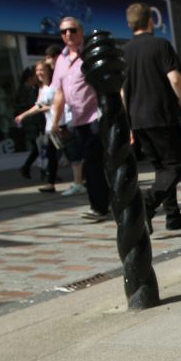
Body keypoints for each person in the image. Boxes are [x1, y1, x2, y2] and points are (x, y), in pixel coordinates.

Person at [122, 2, 181, 231]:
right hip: (161, 115)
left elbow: (123, 91)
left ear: (129, 24)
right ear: (150, 21)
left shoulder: (124, 52)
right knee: (177, 163)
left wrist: (129, 125)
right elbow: (175, 79)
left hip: (138, 119)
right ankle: (147, 203)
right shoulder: (160, 45)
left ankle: (173, 216)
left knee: (162, 168)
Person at [50, 16, 111, 222]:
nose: (68, 34)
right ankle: (102, 203)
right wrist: (55, 122)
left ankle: (100, 206)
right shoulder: (61, 60)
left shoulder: (90, 54)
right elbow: (59, 94)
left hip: (95, 117)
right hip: (77, 121)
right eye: (63, 31)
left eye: (72, 30)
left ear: (81, 32)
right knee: (90, 164)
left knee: (93, 164)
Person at [15, 61, 84, 195]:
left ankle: (80, 182)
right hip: (51, 127)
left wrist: (50, 108)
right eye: (37, 70)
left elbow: (58, 103)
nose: (38, 73)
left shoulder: (56, 85)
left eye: (41, 70)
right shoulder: (42, 88)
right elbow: (39, 105)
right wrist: (23, 115)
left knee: (73, 154)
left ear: (48, 71)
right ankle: (51, 183)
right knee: (52, 155)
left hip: (62, 125)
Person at [15, 67, 42, 179]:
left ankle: (44, 171)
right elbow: (30, 106)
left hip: (33, 123)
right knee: (38, 148)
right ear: (29, 78)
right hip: (30, 123)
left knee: (39, 148)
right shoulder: (25, 91)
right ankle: (27, 167)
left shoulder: (32, 89)